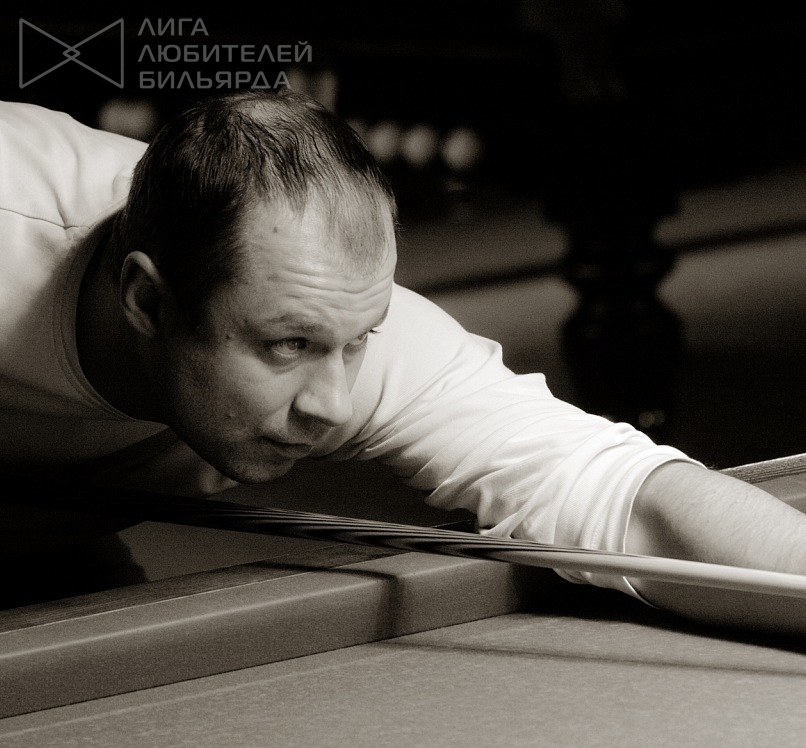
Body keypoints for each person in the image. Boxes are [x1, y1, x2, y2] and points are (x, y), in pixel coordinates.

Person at [2, 90, 806, 631]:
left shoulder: (355, 333)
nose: (332, 403)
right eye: (288, 346)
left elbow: (626, 497)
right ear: (148, 301)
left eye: (357, 341)